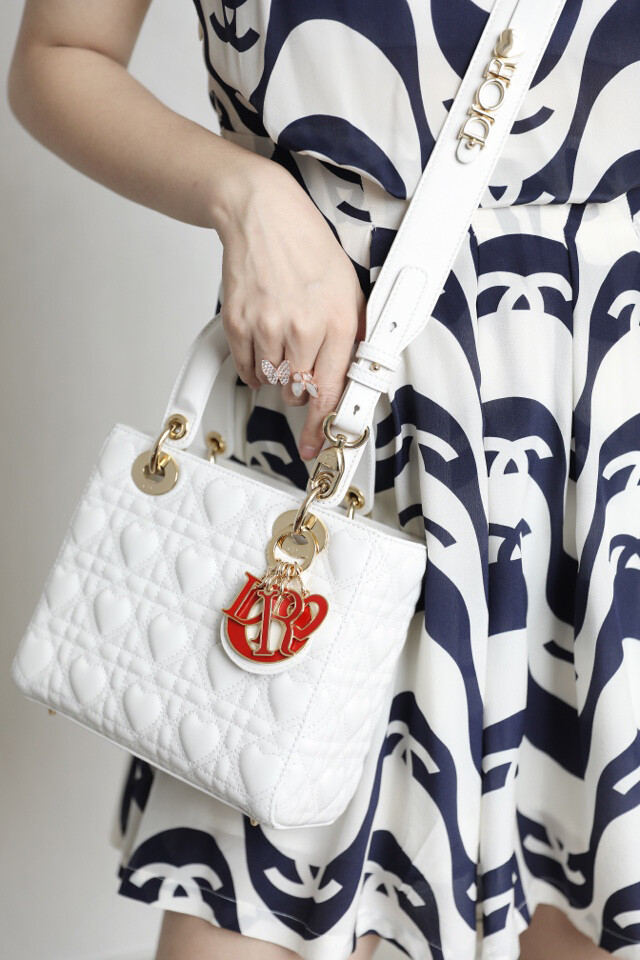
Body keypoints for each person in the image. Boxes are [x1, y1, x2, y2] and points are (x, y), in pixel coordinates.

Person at [8, 2, 640, 959]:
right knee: (247, 902)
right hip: (324, 451)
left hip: (604, 439)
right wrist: (244, 195)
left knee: (590, 902)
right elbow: (59, 56)